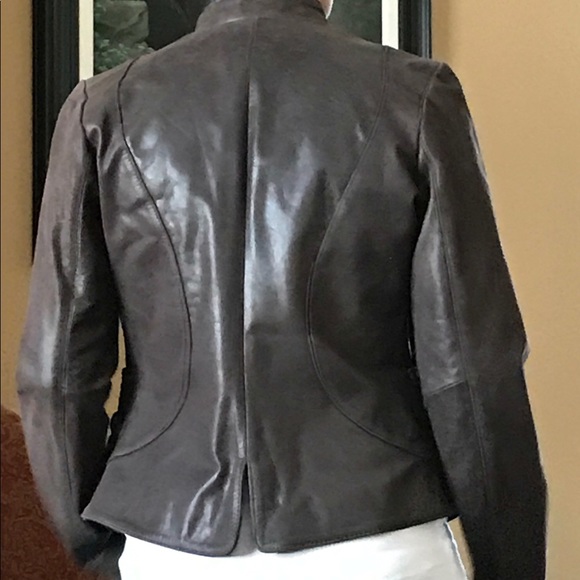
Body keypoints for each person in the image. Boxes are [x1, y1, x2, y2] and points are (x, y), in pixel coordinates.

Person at [17, 0, 547, 578]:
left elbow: (56, 376)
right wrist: (510, 563)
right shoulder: (413, 95)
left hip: (168, 541)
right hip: (378, 532)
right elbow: (471, 368)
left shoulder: (102, 108)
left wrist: (92, 546)